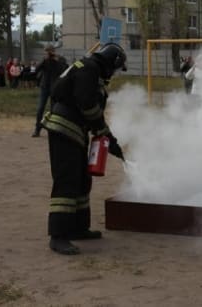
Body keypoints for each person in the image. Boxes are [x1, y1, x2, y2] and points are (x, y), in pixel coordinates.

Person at [41, 42, 127, 255]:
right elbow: (88, 106)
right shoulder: (88, 69)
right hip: (64, 129)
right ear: (110, 63)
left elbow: (91, 109)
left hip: (75, 131)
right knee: (67, 181)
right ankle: (59, 236)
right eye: (115, 69)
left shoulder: (90, 69)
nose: (114, 74)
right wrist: (104, 133)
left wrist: (106, 136)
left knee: (81, 180)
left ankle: (78, 228)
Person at [32, 45, 67, 137]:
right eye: (46, 52)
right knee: (40, 109)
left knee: (54, 110)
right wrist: (44, 60)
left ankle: (53, 130)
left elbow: (65, 69)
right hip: (44, 87)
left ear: (53, 51)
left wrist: (57, 60)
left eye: (49, 51)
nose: (48, 53)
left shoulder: (60, 59)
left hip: (55, 88)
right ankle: (37, 129)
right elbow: (36, 69)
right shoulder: (45, 60)